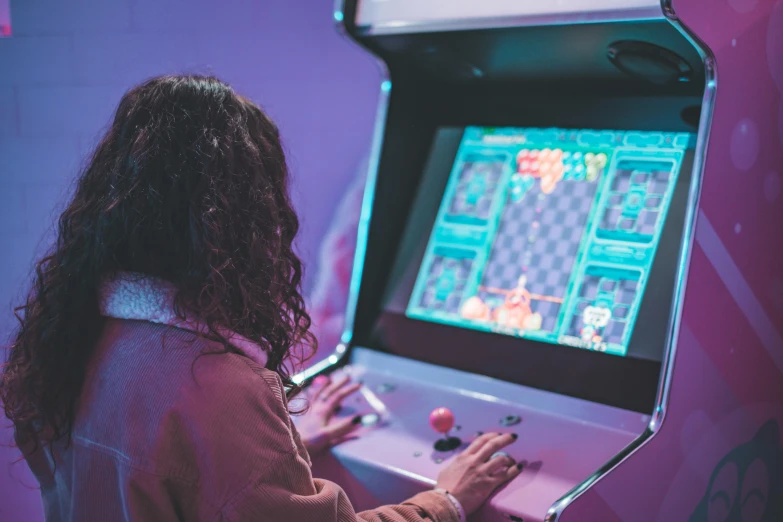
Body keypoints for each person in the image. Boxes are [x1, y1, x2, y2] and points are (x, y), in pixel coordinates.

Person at [0, 75, 520, 522]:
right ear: (235, 218)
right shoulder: (214, 384)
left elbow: (166, 478)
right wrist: (447, 498)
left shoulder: (75, 335)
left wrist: (283, 450)